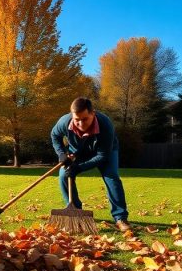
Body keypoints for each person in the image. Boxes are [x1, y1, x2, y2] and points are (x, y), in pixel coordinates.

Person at [50, 97, 131, 231]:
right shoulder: (65, 122)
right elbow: (55, 136)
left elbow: (102, 156)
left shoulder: (105, 125)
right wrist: (62, 154)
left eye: (84, 119)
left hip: (105, 151)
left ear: (93, 113)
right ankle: (76, 212)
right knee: (64, 175)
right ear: (72, 115)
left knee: (112, 177)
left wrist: (79, 168)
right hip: (77, 151)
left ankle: (120, 217)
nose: (80, 124)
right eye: (77, 120)